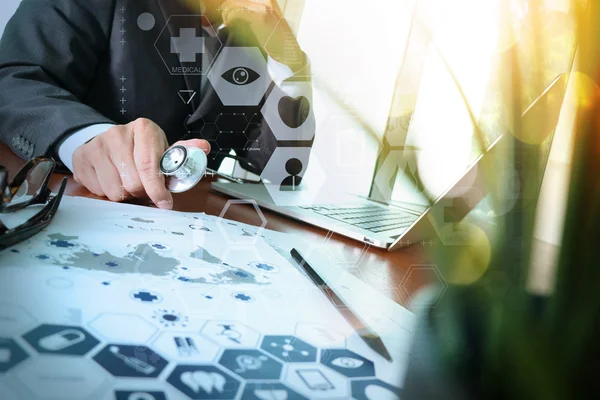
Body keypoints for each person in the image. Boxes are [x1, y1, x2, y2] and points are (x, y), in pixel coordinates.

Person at [0, 0, 312, 209]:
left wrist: (291, 62)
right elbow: (15, 79)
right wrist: (86, 136)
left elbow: (284, 168)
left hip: (191, 236)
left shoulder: (247, 43)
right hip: (77, 207)